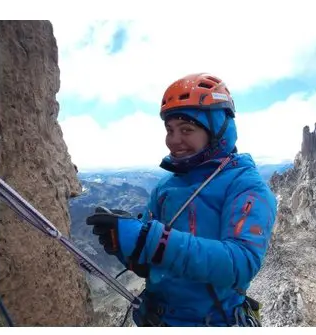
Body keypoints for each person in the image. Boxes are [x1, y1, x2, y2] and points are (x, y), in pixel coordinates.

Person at [86, 73, 275, 326]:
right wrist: (126, 247)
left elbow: (241, 262)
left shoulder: (246, 185)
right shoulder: (166, 186)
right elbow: (152, 263)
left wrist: (149, 240)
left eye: (187, 129)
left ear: (217, 129)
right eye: (170, 129)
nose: (174, 140)